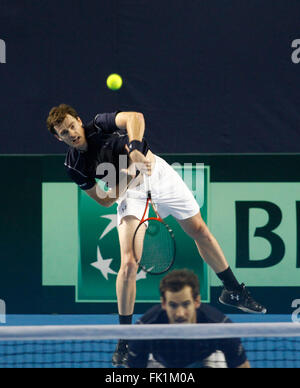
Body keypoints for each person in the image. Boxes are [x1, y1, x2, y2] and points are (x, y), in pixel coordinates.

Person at [46, 105, 266, 366]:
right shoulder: (75, 166)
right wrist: (128, 178)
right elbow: (104, 201)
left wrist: (136, 149)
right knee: (128, 263)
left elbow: (134, 118)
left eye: (72, 125)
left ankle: (233, 290)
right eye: (64, 132)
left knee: (199, 230)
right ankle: (124, 339)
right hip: (130, 191)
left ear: (79, 121)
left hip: (157, 173)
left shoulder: (98, 124)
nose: (72, 133)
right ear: (58, 138)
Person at [127, 269, 251, 368]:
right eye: (173, 305)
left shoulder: (220, 327)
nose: (180, 313)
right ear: (164, 303)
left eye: (186, 304)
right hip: (161, 364)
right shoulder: (144, 330)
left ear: (196, 301)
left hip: (204, 361)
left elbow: (242, 366)